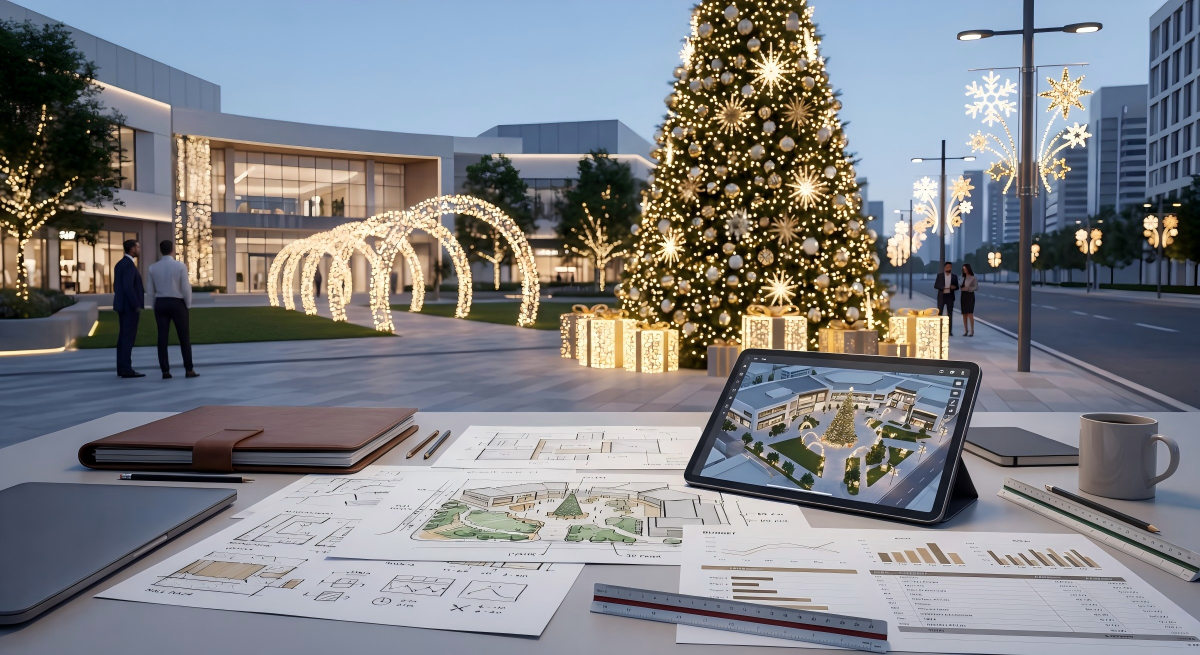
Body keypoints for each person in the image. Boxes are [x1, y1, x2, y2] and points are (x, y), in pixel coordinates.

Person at [146, 240, 198, 379]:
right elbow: (186, 287)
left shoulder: (153, 267)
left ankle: (165, 371)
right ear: (172, 250)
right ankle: (189, 369)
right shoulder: (180, 266)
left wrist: (154, 305)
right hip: (177, 303)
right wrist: (187, 304)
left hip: (161, 303)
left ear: (160, 250)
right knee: (184, 337)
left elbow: (150, 290)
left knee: (162, 337)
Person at [113, 239, 145, 378]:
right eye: (137, 246)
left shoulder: (121, 264)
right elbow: (128, 287)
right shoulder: (128, 265)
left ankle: (122, 367)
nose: (139, 248)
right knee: (127, 338)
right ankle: (126, 369)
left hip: (122, 306)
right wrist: (136, 304)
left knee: (123, 338)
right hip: (129, 308)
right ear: (132, 248)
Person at [933, 261, 958, 335]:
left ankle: (949, 331)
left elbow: (957, 287)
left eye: (950, 267)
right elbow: (935, 285)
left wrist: (954, 287)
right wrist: (942, 287)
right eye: (947, 267)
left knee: (949, 314)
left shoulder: (954, 276)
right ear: (944, 268)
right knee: (939, 313)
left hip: (950, 296)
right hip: (942, 296)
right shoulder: (940, 276)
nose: (949, 268)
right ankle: (939, 330)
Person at [960, 263, 978, 337]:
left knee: (970, 313)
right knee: (964, 313)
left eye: (965, 269)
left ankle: (972, 330)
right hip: (963, 296)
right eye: (963, 269)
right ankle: (965, 330)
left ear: (968, 269)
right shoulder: (962, 278)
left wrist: (968, 289)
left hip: (970, 296)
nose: (964, 270)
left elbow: (976, 287)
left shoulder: (973, 278)